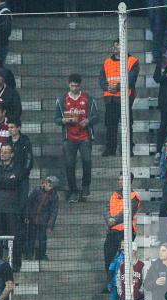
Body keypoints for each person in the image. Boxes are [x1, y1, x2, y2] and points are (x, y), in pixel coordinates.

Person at [56, 73, 99, 203]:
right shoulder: (62, 99)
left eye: (77, 86)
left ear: (80, 85)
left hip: (84, 136)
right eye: (72, 85)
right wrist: (63, 120)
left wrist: (88, 121)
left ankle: (86, 186)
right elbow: (56, 119)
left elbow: (96, 117)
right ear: (69, 85)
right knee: (69, 165)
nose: (74, 88)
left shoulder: (88, 99)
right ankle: (73, 191)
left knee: (87, 161)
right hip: (69, 137)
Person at [99, 40, 138, 157]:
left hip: (125, 98)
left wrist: (116, 87)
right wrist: (107, 87)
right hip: (110, 98)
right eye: (115, 45)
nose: (116, 47)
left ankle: (128, 150)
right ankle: (110, 149)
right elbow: (101, 80)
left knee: (127, 125)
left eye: (119, 45)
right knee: (110, 125)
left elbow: (131, 80)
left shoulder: (132, 61)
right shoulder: (106, 62)